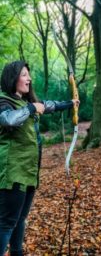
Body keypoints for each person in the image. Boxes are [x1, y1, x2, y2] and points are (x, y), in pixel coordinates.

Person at [0, 60, 79, 256]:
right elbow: (9, 120)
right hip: (13, 173)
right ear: (13, 77)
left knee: (20, 218)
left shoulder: (26, 102)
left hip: (28, 172)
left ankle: (17, 253)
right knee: (7, 222)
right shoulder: (3, 102)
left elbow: (48, 105)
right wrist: (32, 109)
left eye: (29, 74)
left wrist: (70, 103)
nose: (29, 79)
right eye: (25, 74)